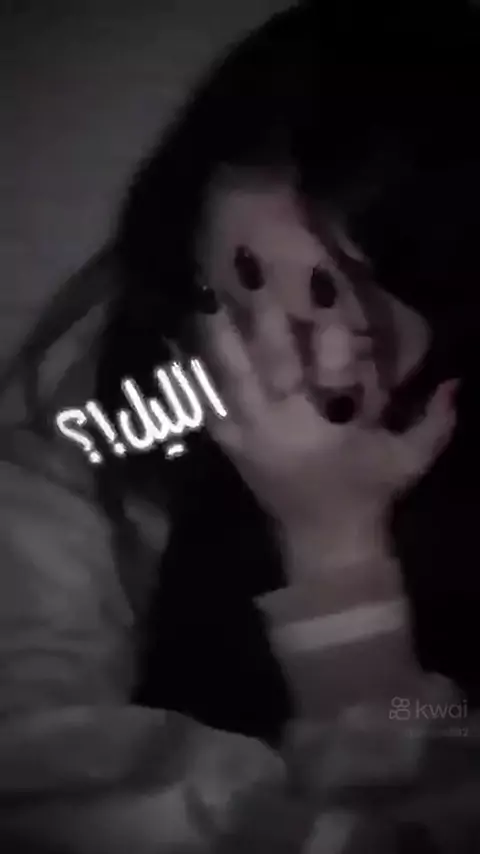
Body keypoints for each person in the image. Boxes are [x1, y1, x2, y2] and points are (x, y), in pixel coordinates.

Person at [1, 1, 480, 851]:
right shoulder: (131, 431)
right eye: (231, 299)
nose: (279, 364)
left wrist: (337, 554)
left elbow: (426, 815)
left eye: (350, 312)